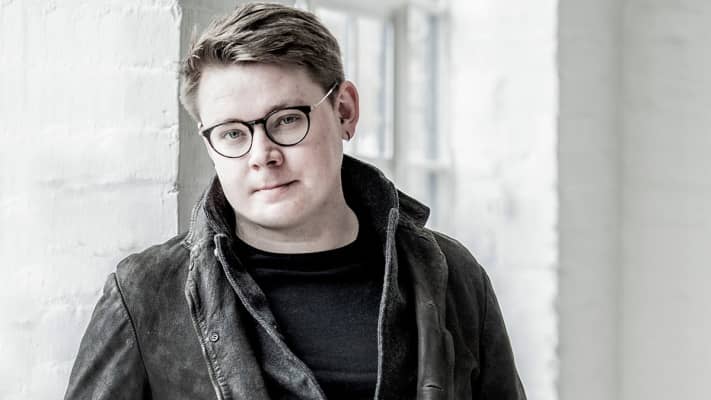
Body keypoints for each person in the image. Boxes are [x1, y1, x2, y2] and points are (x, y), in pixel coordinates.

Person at [64, 3, 526, 399]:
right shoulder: (145, 294)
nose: (262, 156)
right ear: (210, 144)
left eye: (286, 120)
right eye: (232, 133)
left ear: (344, 111)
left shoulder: (451, 275)